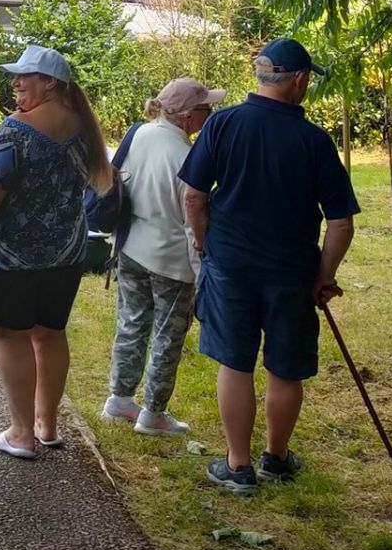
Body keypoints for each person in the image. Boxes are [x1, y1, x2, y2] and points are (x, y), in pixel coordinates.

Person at [180, 38, 359, 494]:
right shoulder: (315, 141)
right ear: (298, 81)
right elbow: (340, 224)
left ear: (262, 76)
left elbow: (194, 197)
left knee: (235, 364)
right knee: (285, 368)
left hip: (231, 267)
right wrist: (325, 276)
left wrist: (207, 248)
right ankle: (276, 459)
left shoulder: (221, 125)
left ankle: (237, 466)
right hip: (291, 273)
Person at [0, 46, 112, 458]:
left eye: (24, 75)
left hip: (11, 259)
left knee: (10, 335)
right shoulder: (85, 129)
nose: (15, 82)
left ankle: (20, 434)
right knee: (49, 334)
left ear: (50, 83)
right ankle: (46, 425)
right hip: (66, 256)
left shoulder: (15, 129)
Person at [103, 77, 227, 437]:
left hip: (130, 248)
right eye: (206, 109)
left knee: (131, 323)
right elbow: (192, 218)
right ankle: (153, 413)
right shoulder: (188, 157)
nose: (210, 114)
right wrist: (200, 266)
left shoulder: (139, 134)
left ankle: (120, 398)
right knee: (167, 336)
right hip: (170, 259)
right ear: (188, 116)